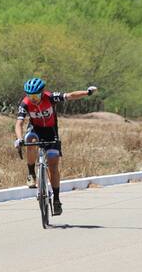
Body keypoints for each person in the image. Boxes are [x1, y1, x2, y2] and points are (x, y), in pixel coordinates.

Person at [14, 77, 97, 216]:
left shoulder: (50, 97)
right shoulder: (25, 103)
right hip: (35, 129)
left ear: (42, 92)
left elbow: (70, 96)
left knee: (53, 166)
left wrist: (87, 93)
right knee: (29, 139)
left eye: (36, 95)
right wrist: (18, 139)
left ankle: (57, 200)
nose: (33, 99)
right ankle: (31, 173)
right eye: (30, 96)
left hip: (51, 132)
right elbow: (19, 123)